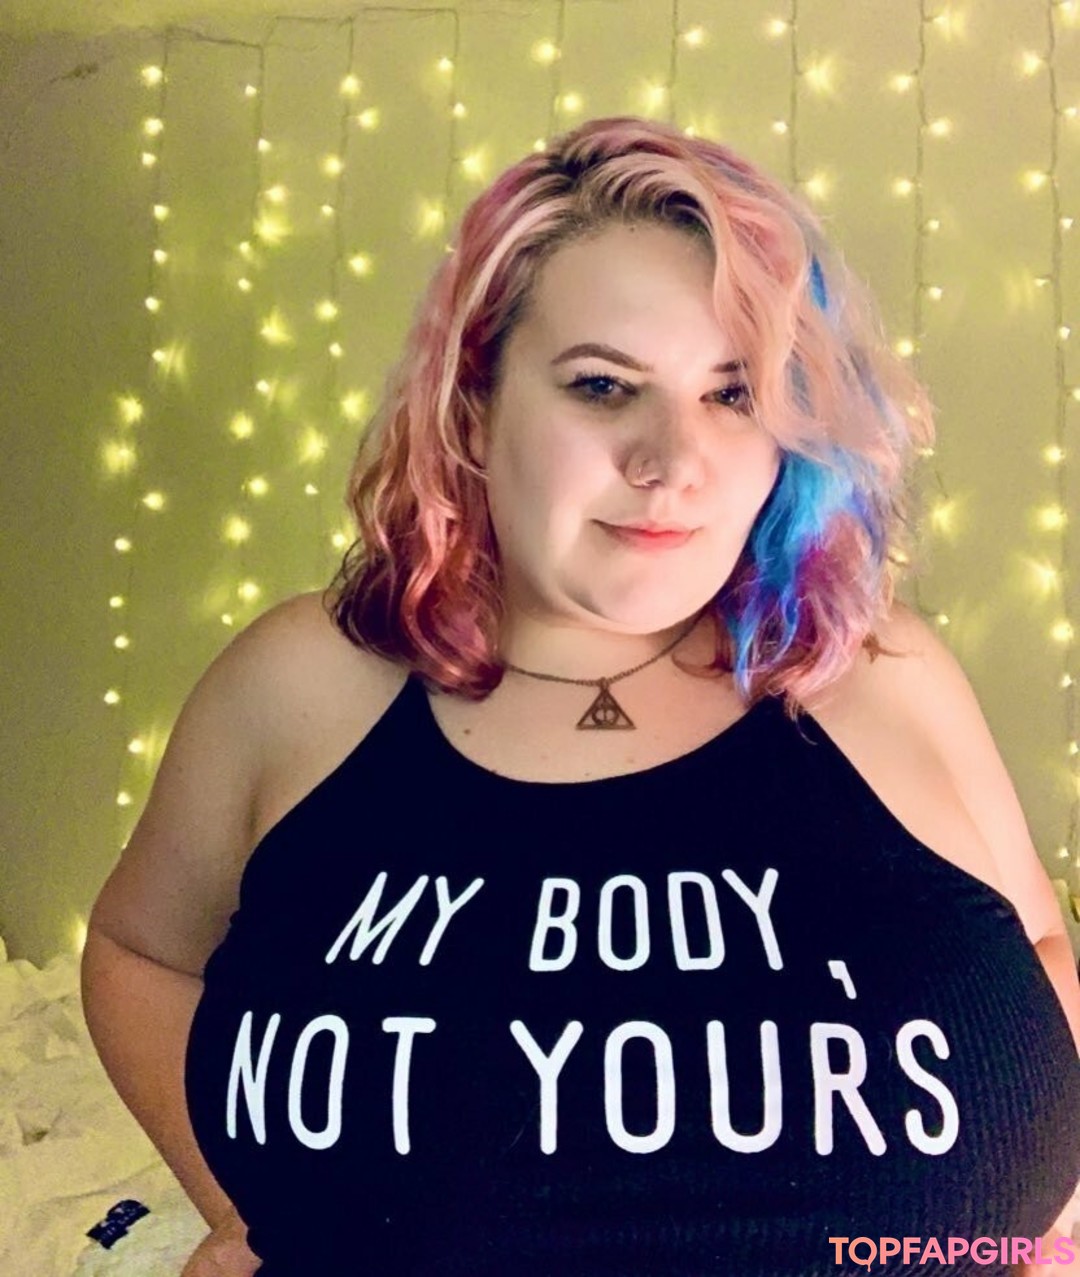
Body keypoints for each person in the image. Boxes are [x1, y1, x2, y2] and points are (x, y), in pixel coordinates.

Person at [82, 116, 1080, 1277]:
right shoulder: (301, 685)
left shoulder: (877, 670)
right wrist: (236, 1209)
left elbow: (1037, 946)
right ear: (474, 405)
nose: (673, 461)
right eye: (604, 385)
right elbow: (137, 952)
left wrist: (1014, 1212)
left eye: (734, 394)